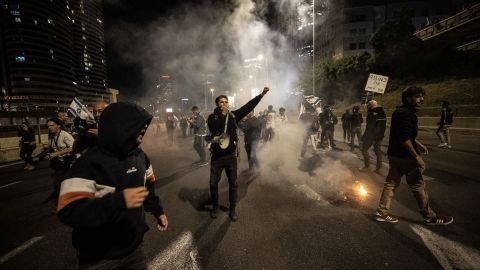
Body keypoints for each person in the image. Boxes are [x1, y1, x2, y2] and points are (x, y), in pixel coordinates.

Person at [57, 102, 168, 269]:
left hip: (135, 250)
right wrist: (118, 201)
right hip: (98, 257)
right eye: (138, 124)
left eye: (145, 124)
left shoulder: (141, 157)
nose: (144, 128)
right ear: (120, 125)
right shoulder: (89, 163)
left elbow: (148, 187)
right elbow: (69, 209)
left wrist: (157, 210)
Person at [375, 86, 454, 226]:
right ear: (408, 98)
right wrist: (416, 157)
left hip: (394, 155)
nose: (421, 99)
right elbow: (405, 138)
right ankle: (429, 217)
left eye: (422, 96)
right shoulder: (408, 114)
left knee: (391, 184)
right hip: (406, 157)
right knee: (418, 186)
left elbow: (404, 134)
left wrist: (418, 143)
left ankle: (382, 212)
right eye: (418, 96)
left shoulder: (398, 111)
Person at [207, 87, 270, 221]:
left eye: (226, 102)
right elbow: (214, 130)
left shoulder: (234, 116)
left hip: (230, 157)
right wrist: (223, 115)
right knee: (213, 184)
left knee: (233, 184)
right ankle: (215, 206)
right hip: (217, 157)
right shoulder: (212, 117)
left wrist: (261, 95)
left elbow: (248, 106)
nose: (224, 104)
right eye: (221, 102)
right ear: (217, 104)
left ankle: (233, 209)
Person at [44, 117, 75, 205]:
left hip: (69, 163)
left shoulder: (65, 135)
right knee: (59, 183)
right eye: (48, 126)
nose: (49, 127)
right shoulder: (51, 136)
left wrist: (57, 153)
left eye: (52, 125)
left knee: (60, 184)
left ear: (59, 126)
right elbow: (52, 147)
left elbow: (73, 147)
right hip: (60, 164)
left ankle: (63, 204)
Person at [360, 100, 386, 172]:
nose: (367, 107)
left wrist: (363, 138)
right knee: (378, 152)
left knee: (364, 150)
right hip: (380, 136)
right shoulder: (382, 113)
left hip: (372, 137)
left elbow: (369, 128)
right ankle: (378, 168)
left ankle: (367, 167)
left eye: (368, 105)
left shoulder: (371, 114)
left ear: (370, 106)